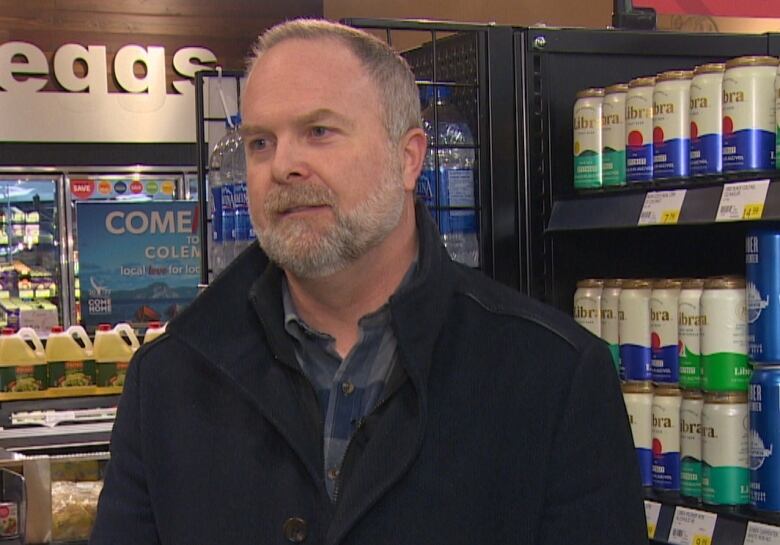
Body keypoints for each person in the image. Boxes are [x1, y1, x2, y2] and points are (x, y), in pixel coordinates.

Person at [91, 19, 647, 545]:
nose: (283, 165)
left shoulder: (553, 377)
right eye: (261, 142)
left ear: (408, 160)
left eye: (318, 131)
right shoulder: (167, 382)